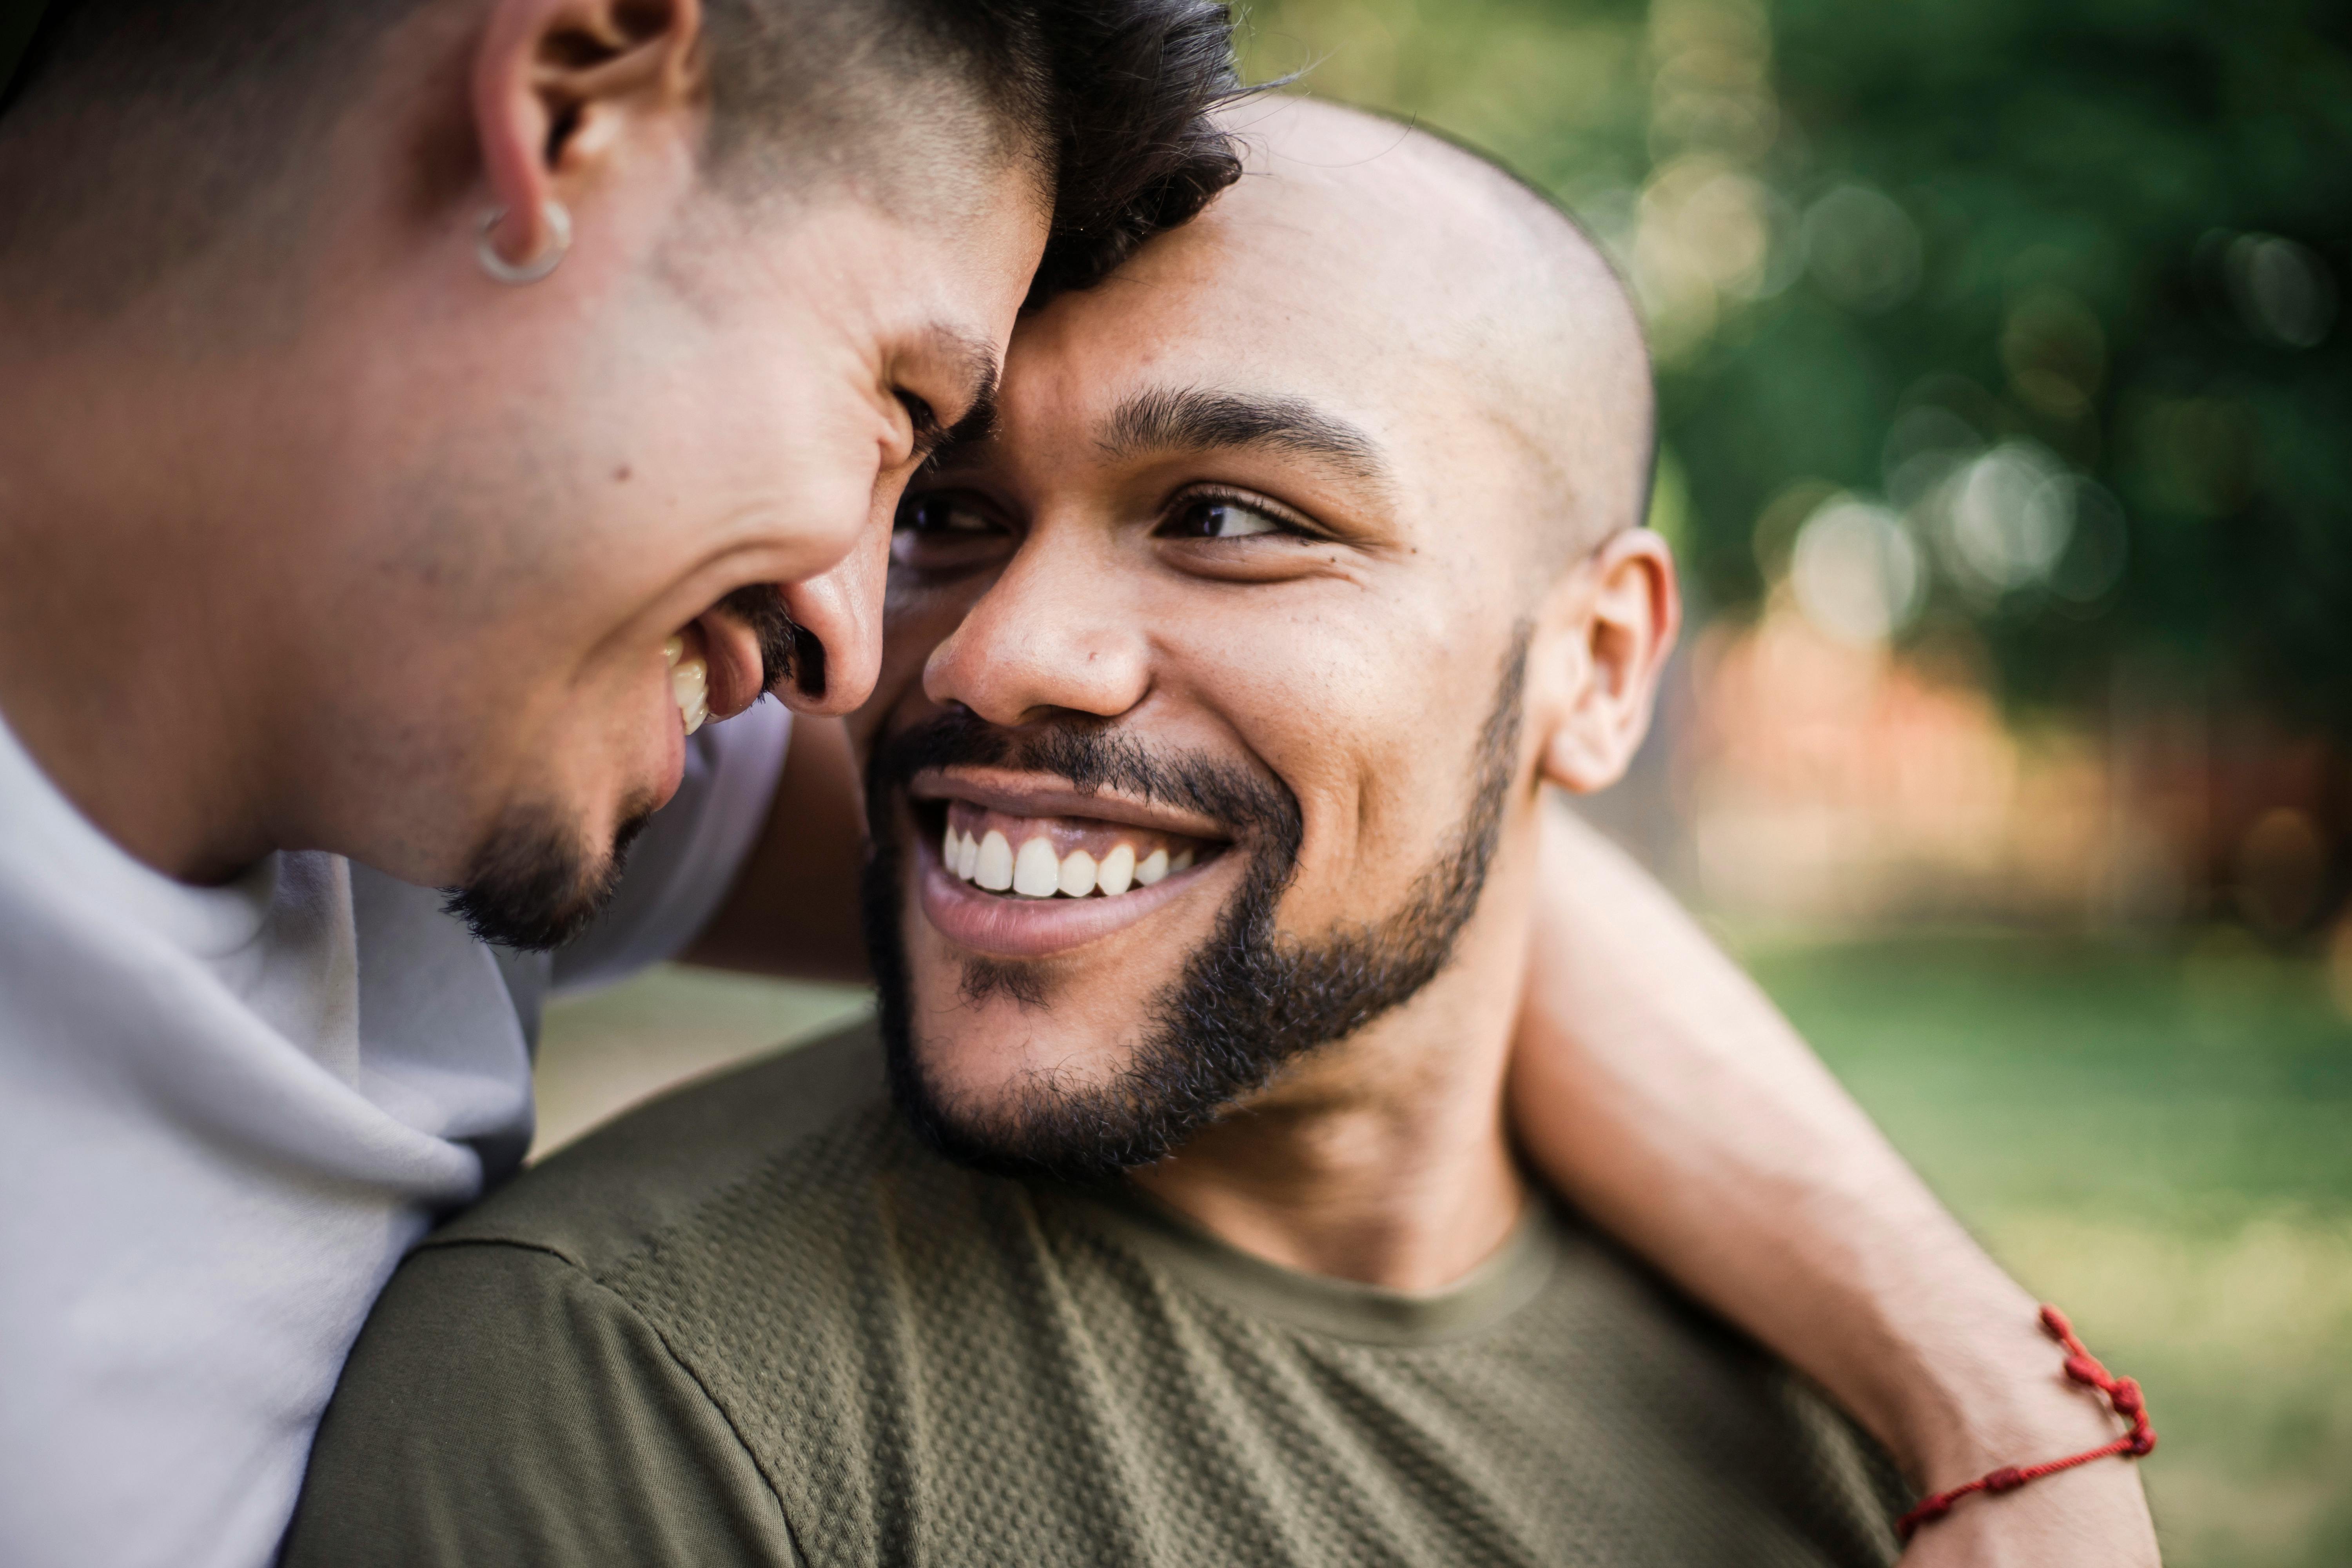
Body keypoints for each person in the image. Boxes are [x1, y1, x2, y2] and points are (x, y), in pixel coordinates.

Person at [282, 103, 2157, 1566]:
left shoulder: (1874, 1429)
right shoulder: (626, 1401)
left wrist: (1995, 1408)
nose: (1006, 652)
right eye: (947, 515)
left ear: (1598, 667)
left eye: (1235, 518)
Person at [0, 1, 1242, 1562]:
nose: (853, 652)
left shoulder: (446, 690)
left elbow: (1277, 849)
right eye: (902, 416)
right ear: (568, 106)